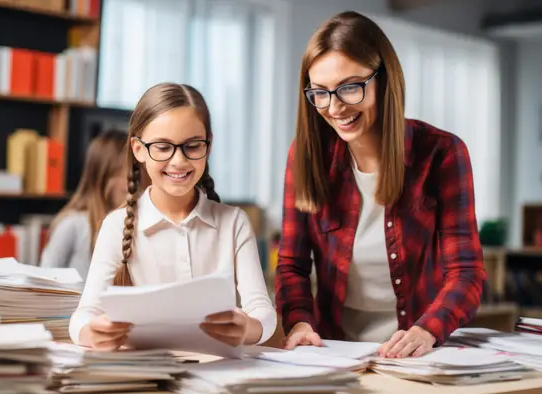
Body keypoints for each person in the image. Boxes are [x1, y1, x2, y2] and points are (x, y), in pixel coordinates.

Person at [275, 11, 486, 358]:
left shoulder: (442, 153)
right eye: (320, 93)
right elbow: (292, 266)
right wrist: (299, 323)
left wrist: (427, 330)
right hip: (336, 353)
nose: (335, 107)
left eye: (350, 87)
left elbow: (466, 273)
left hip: (420, 352)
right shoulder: (305, 156)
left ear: (384, 80)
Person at [69, 82, 277, 351]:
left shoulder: (234, 223)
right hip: (148, 372)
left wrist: (250, 328)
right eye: (163, 147)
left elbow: (262, 310)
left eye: (192, 145)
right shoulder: (116, 225)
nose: (178, 161)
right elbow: (84, 313)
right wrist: (89, 332)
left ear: (208, 145)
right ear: (138, 149)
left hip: (218, 371)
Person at [40, 130, 129, 280]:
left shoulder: (131, 222)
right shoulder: (73, 224)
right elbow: (44, 279)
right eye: (127, 175)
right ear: (104, 175)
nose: (133, 184)